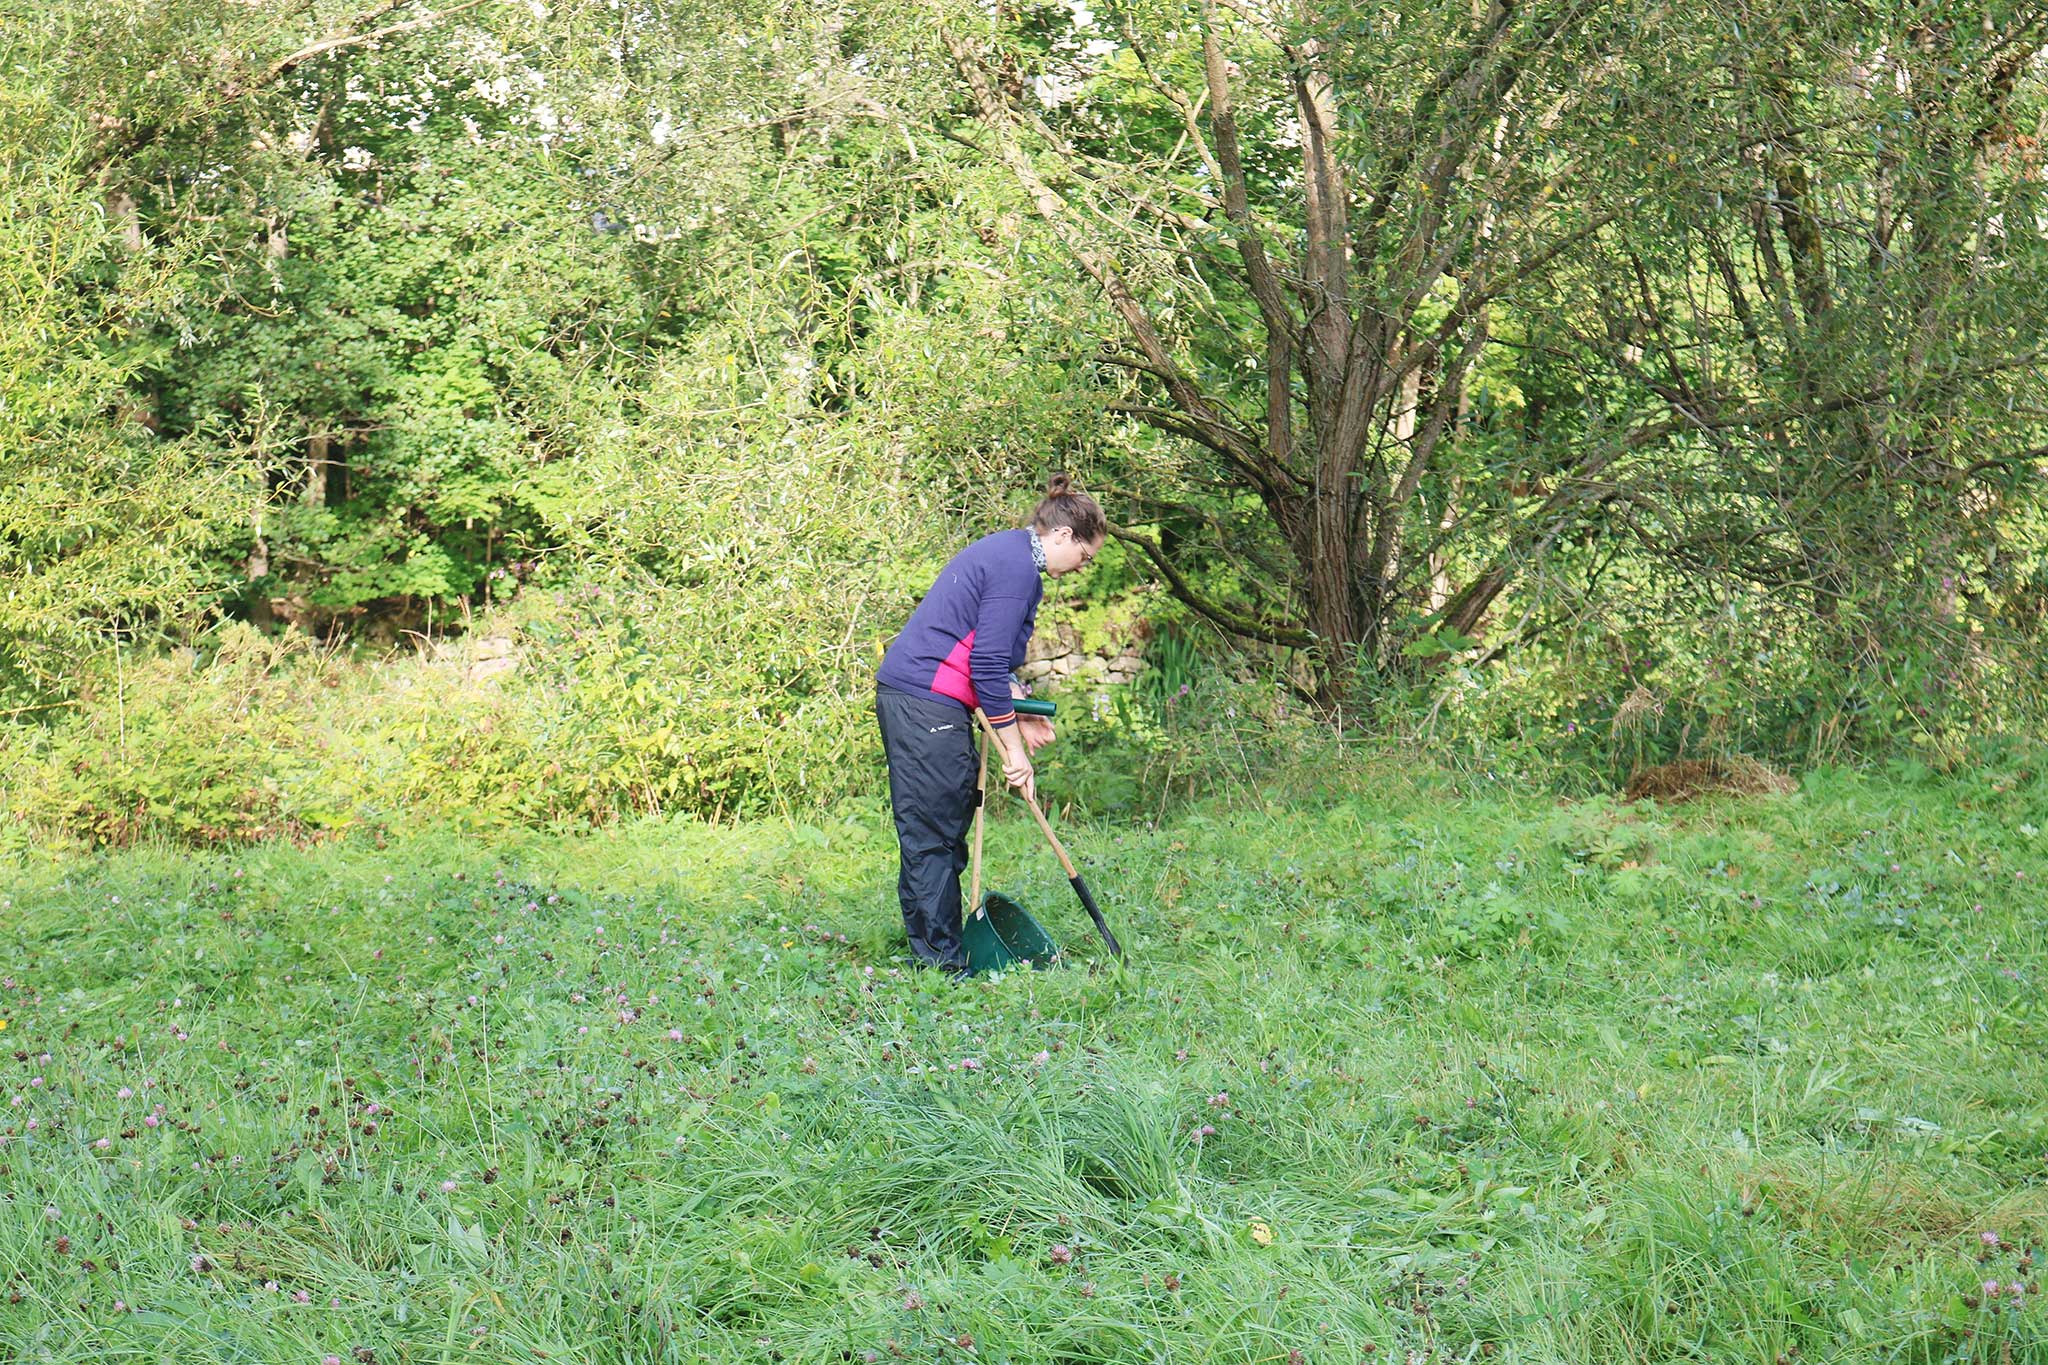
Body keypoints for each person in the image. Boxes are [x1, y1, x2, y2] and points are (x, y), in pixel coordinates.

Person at [874, 475, 1106, 973]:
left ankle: (940, 948)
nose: (1083, 568)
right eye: (1085, 556)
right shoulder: (1016, 567)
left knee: (942, 825)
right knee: (933, 832)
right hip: (921, 700)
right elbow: (982, 666)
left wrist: (1018, 711)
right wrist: (1014, 753)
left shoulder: (1017, 562)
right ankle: (939, 966)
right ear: (1064, 536)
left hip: (932, 700)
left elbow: (995, 663)